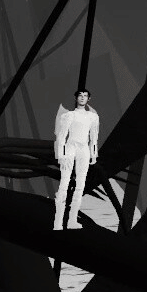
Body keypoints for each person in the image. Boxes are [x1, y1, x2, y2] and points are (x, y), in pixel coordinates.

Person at [52, 90, 101, 230]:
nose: (82, 98)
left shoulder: (93, 117)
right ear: (76, 98)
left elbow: (94, 137)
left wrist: (93, 154)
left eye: (85, 96)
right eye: (80, 96)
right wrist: (61, 155)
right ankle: (58, 223)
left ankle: (72, 221)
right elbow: (61, 136)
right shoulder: (69, 115)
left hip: (84, 149)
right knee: (64, 183)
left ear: (89, 98)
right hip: (70, 148)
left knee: (80, 185)